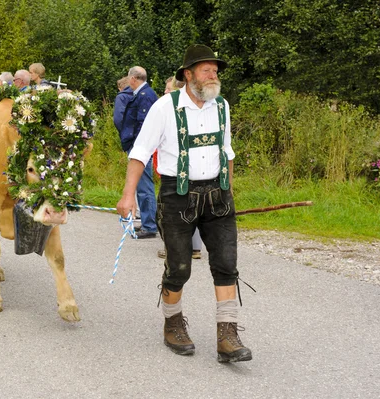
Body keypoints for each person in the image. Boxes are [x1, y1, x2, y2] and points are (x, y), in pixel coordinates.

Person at [116, 44, 252, 362]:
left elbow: (227, 151)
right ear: (189, 75)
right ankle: (173, 323)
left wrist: (228, 190)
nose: (213, 75)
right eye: (207, 70)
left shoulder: (222, 106)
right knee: (178, 267)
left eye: (215, 71)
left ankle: (227, 336)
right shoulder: (165, 107)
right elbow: (139, 153)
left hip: (218, 197)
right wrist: (127, 196)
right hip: (177, 196)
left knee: (226, 265)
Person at [157, 76, 203, 260]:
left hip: (181, 172)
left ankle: (177, 250)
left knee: (178, 212)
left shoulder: (178, 111)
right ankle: (194, 248)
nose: (166, 93)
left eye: (169, 90)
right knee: (193, 208)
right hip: (185, 170)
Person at [116, 66, 159, 239]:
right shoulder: (142, 94)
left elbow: (143, 124)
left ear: (133, 79)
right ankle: (148, 222)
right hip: (138, 145)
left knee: (144, 186)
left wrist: (137, 146)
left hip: (141, 147)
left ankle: (150, 225)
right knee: (142, 185)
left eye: (129, 80)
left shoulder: (145, 96)